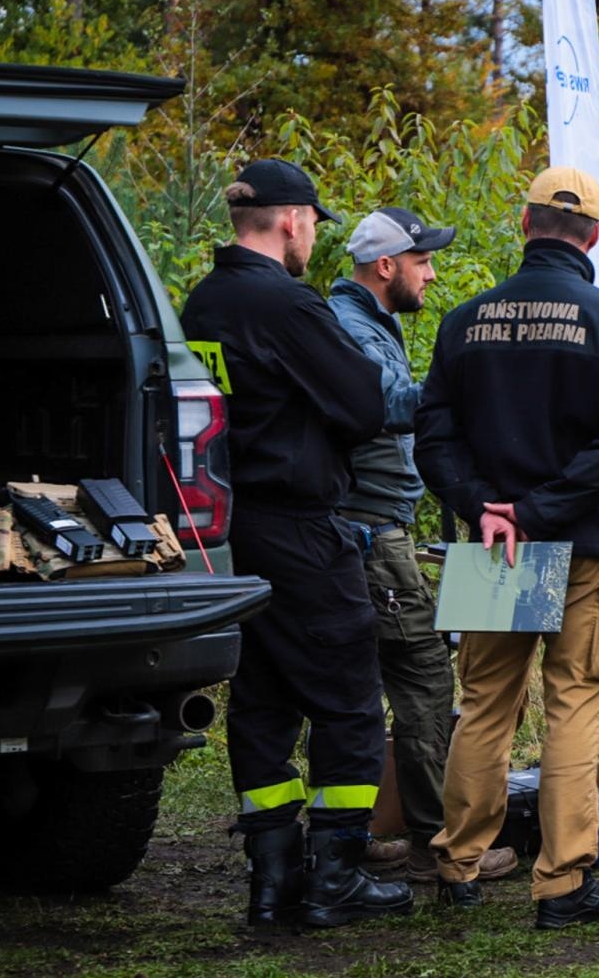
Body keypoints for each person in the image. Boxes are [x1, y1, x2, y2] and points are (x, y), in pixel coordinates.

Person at [413, 166, 599, 929]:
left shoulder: (462, 321)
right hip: (583, 541)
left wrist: (486, 509)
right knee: (577, 704)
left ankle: (458, 866)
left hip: (497, 547)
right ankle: (561, 884)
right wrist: (542, 509)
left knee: (484, 705)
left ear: (523, 224)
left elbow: (433, 439)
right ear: (595, 236)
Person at [179, 159, 413, 928]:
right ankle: (337, 873)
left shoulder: (202, 300)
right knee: (348, 691)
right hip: (302, 523)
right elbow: (361, 403)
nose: (314, 235)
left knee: (265, 696)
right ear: (290, 220)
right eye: (314, 221)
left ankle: (273, 874)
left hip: (233, 524)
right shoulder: (287, 303)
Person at [329, 207, 516, 885]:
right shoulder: (352, 328)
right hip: (371, 530)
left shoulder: (367, 322)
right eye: (423, 261)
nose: (431, 274)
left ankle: (358, 833)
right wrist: (470, 378)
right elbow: (387, 403)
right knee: (424, 678)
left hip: (377, 526)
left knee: (366, 681)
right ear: (387, 266)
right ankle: (438, 840)